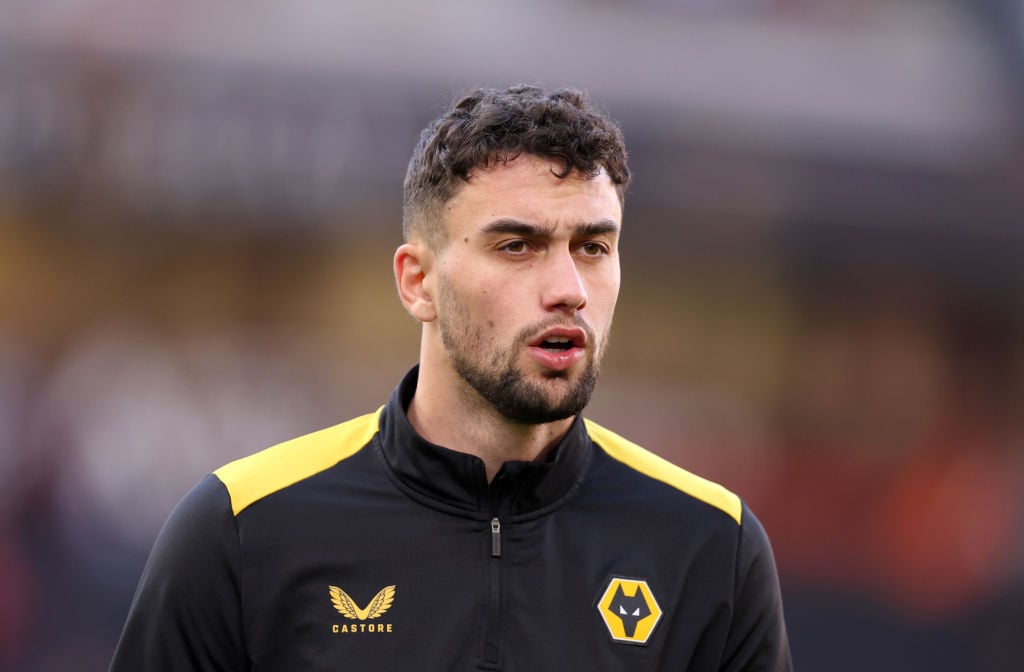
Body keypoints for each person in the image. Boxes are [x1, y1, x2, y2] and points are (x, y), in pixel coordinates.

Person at [109, 85, 792, 671]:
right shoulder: (241, 528)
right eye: (516, 246)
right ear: (418, 282)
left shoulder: (711, 548)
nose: (568, 289)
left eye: (593, 247)